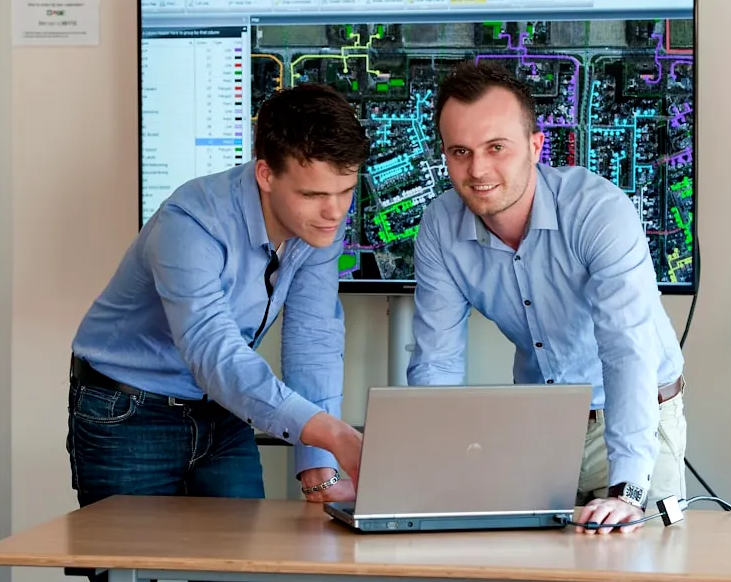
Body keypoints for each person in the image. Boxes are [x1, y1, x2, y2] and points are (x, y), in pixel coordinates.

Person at [407, 61, 687, 534]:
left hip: (636, 415)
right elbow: (437, 363)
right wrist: (437, 473)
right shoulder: (439, 226)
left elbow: (626, 350)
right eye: (460, 151)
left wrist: (629, 490)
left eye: (496, 147)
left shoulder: (598, 211)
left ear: (536, 146)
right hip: (540, 425)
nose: (478, 170)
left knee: (634, 557)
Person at [67, 84, 367, 521]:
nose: (335, 212)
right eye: (314, 195)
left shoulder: (321, 222)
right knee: (130, 570)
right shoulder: (190, 224)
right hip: (128, 413)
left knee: (242, 567)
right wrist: (334, 433)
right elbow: (213, 352)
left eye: (346, 191)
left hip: (224, 409)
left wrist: (318, 462)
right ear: (266, 175)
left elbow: (313, 337)